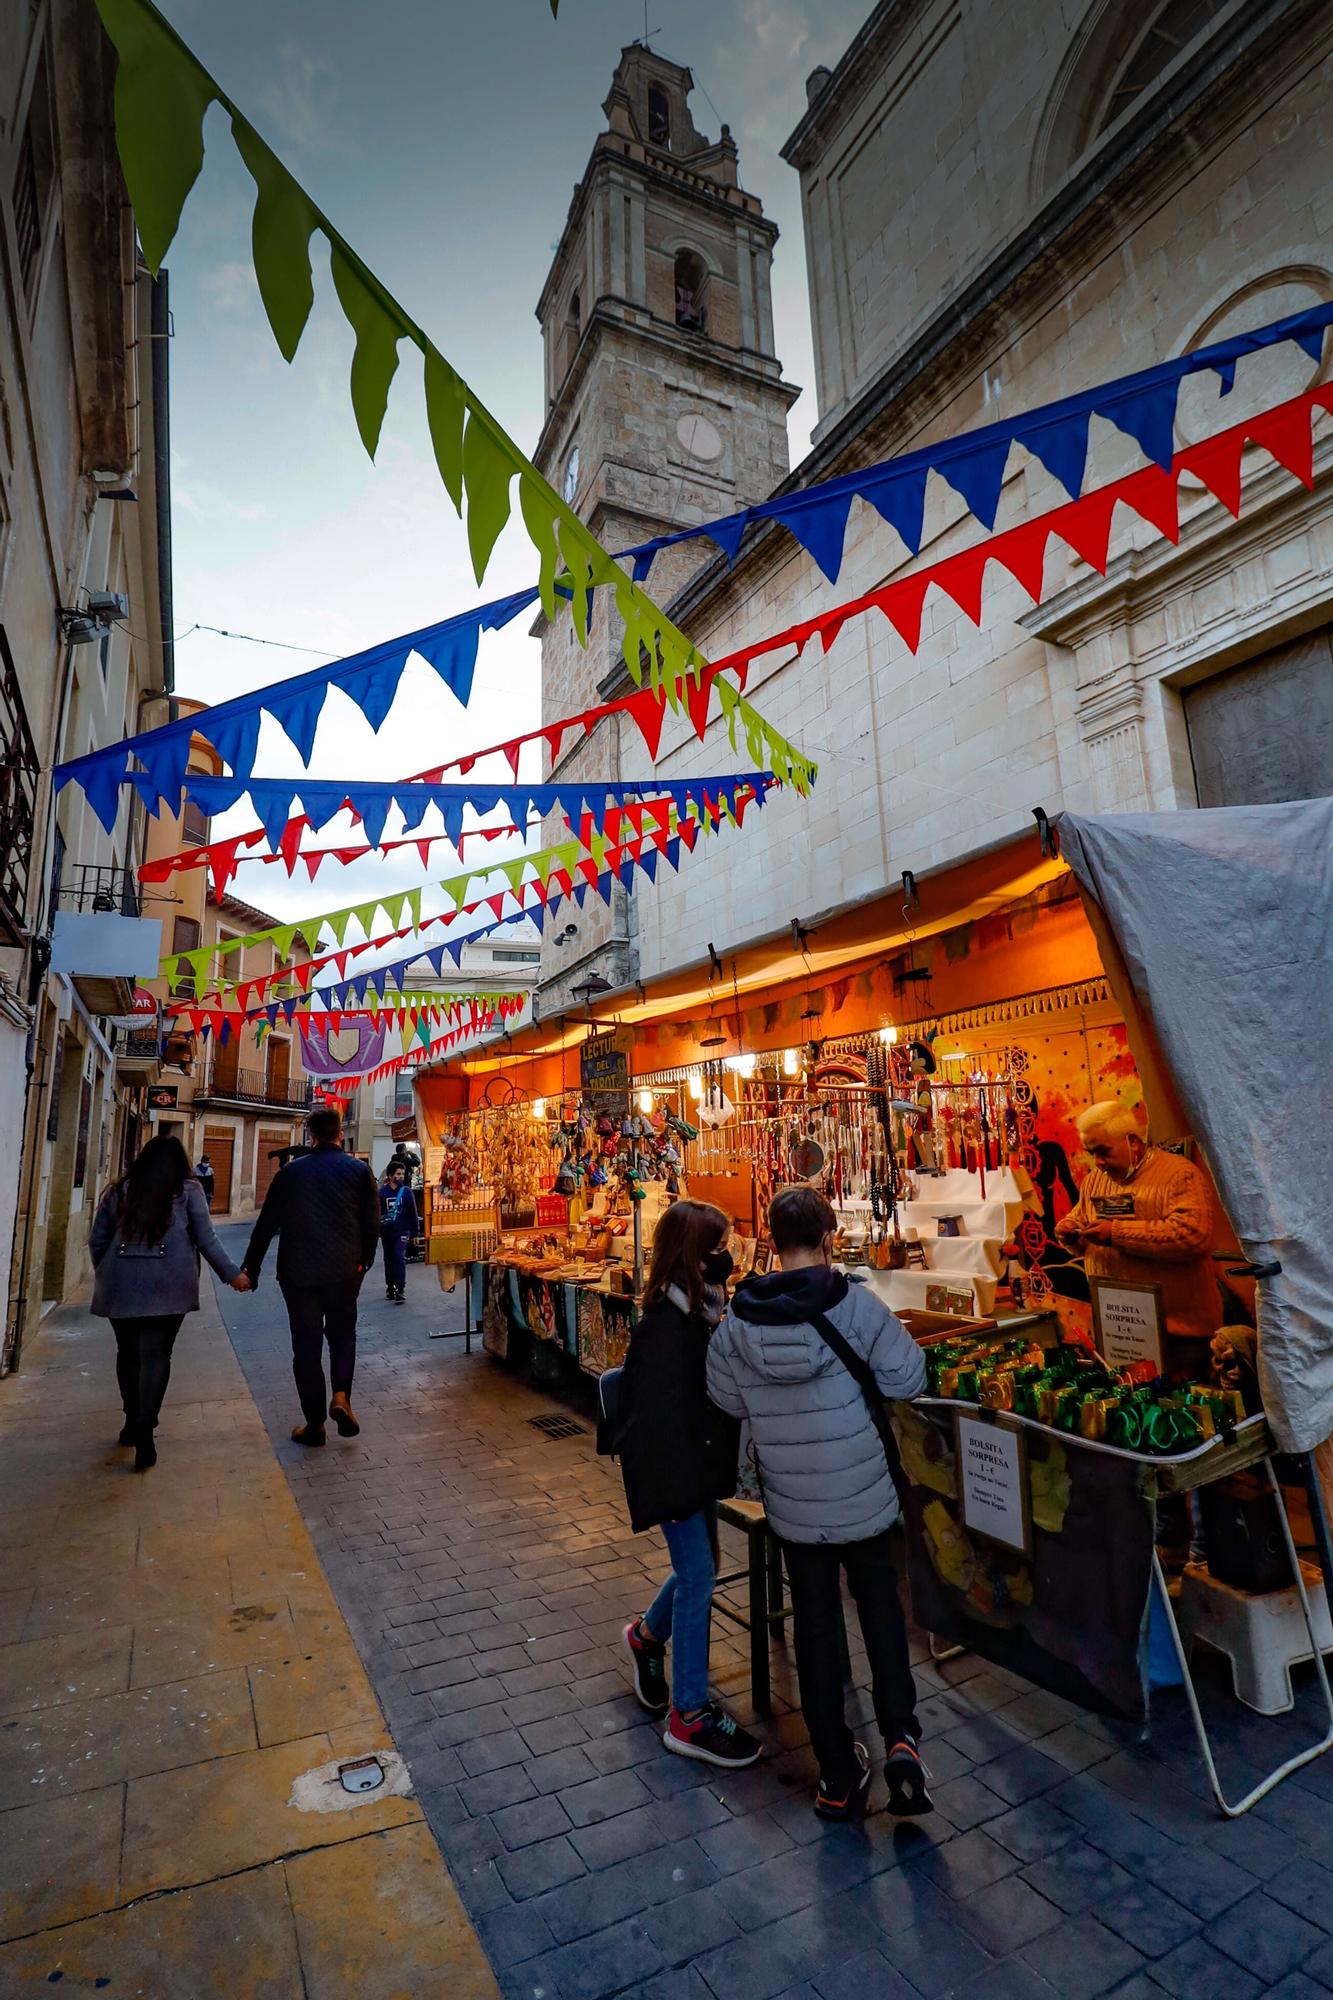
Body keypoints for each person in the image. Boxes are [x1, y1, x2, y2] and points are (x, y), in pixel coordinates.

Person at [707, 1185, 929, 1821]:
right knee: (881, 1613)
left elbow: (725, 1400)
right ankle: (902, 1742)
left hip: (795, 1504)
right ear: (829, 1235)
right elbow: (908, 1378)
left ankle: (836, 1771)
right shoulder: (855, 1307)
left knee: (815, 1627)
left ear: (772, 1242)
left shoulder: (736, 1324)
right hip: (863, 1493)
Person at [616, 1199, 761, 1770]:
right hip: (672, 1472)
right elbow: (660, 1426)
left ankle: (647, 1637)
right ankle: (689, 1715)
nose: (728, 1259)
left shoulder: (695, 1314)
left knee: (700, 1566)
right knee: (700, 1572)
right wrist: (682, 1493)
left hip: (691, 1467)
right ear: (694, 1258)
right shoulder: (664, 1332)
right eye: (719, 1249)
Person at [89, 1135, 250, 1470]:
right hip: (170, 1286)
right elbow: (206, 1239)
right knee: (157, 1355)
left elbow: (98, 1239)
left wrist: (109, 1271)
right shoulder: (188, 1192)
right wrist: (234, 1275)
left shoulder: (119, 1191)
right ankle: (146, 1427)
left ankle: (132, 1421)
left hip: (121, 1285)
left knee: (128, 1353)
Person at [243, 1107, 379, 1447]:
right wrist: (364, 1262)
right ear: (338, 1135)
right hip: (344, 1271)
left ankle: (314, 1423)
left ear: (311, 1136)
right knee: (343, 1335)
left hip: (298, 1273)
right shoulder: (359, 1171)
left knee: (306, 1347)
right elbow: (372, 1224)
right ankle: (342, 1396)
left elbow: (266, 1225)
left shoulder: (290, 1174)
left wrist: (251, 1269)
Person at [1054, 1101, 1217, 1376]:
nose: (1098, 1163)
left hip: (1177, 1336)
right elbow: (1081, 1225)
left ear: (1132, 1141)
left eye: (1103, 1152)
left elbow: (1192, 1236)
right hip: (1117, 1330)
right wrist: (1069, 1232)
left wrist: (1115, 1233)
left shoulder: (1179, 1174)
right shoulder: (1094, 1181)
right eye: (1091, 1153)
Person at [378, 1162, 419, 1303]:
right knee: (388, 1259)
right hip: (386, 1232)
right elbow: (377, 1213)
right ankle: (390, 1286)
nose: (401, 1177)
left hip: (402, 1231)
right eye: (398, 1174)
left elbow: (413, 1213)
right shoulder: (381, 1193)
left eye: (402, 1174)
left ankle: (400, 1288)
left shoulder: (407, 1192)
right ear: (390, 1175)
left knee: (399, 1256)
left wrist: (415, 1233)